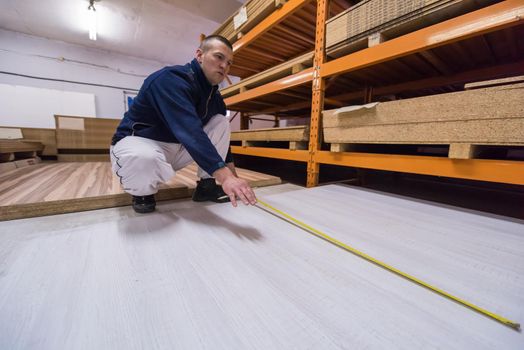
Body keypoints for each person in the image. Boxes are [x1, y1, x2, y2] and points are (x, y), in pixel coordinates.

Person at [110, 35, 257, 213]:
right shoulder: (170, 79)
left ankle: (206, 187)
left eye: (229, 63)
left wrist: (235, 179)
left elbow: (222, 146)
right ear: (199, 55)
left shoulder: (215, 98)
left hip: (177, 148)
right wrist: (225, 178)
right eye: (219, 57)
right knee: (144, 158)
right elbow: (189, 130)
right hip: (140, 142)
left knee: (220, 122)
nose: (224, 66)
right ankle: (143, 193)